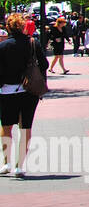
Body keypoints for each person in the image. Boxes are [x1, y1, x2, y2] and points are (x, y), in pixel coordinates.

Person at [1, 12, 48, 176]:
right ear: (22, 27)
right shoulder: (32, 43)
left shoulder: (3, 46)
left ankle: (6, 163)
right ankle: (19, 166)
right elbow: (44, 64)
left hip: (7, 91)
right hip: (29, 90)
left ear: (8, 28)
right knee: (25, 127)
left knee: (6, 127)